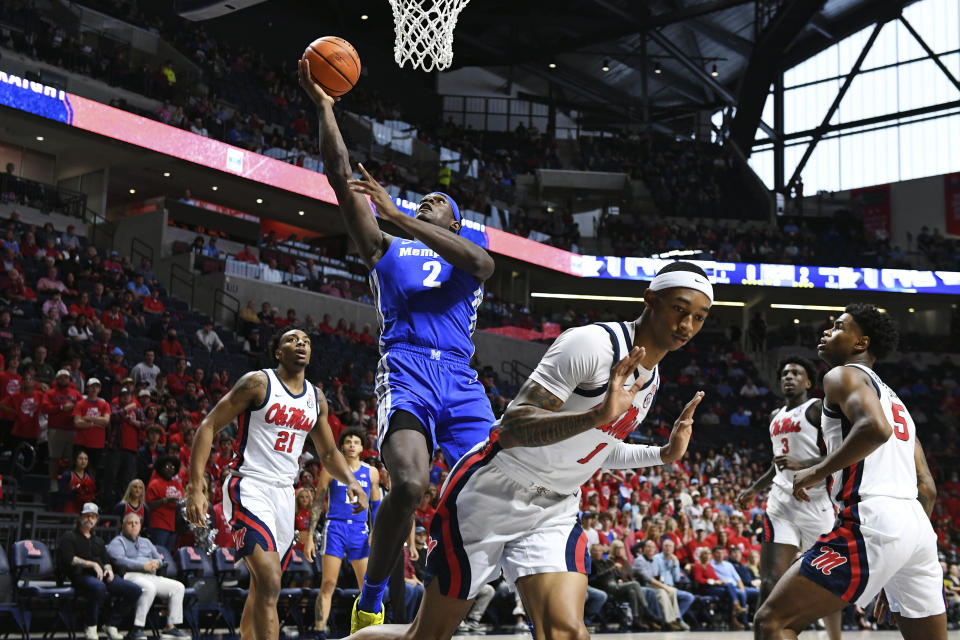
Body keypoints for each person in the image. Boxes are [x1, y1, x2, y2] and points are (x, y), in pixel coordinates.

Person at [345, 262, 711, 640]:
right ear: (650, 299)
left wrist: (663, 454)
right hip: (492, 492)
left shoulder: (651, 380)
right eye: (679, 309)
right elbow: (511, 429)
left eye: (699, 318)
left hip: (553, 508)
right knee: (424, 637)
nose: (687, 325)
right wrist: (598, 413)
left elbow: (597, 448)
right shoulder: (592, 345)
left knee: (567, 633)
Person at [301, 60, 496, 629]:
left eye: (439, 202)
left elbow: (482, 263)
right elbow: (339, 177)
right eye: (422, 201)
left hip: (461, 379)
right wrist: (325, 108)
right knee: (410, 483)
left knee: (494, 489)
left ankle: (450, 568)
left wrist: (406, 219)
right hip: (407, 370)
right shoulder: (389, 247)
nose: (425, 202)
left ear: (455, 223)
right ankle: (373, 596)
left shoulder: (464, 256)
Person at [755, 304, 946, 640]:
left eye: (839, 326)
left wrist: (814, 471)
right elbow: (927, 488)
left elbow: (874, 428)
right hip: (917, 529)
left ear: (861, 343)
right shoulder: (896, 402)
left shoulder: (842, 375)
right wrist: (896, 562)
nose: (827, 331)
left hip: (872, 516)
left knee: (773, 622)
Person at [185, 328, 368, 640]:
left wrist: (351, 481)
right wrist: (195, 486)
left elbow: (327, 452)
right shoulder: (258, 382)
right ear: (278, 353)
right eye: (292, 340)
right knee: (270, 581)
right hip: (249, 486)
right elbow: (209, 425)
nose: (301, 344)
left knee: (262, 587)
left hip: (285, 494)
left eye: (306, 341)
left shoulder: (316, 398)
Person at [736, 355, 841, 640]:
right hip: (780, 503)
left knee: (827, 581)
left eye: (796, 373)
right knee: (770, 579)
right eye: (784, 373)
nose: (789, 377)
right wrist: (754, 489)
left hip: (816, 503)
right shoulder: (775, 416)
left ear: (808, 382)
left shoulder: (817, 408)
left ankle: (836, 638)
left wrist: (805, 465)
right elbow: (778, 464)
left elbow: (842, 452)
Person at [314, 428, 382, 635]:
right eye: (348, 441)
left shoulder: (371, 472)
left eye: (356, 442)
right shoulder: (330, 469)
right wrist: (309, 536)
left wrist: (375, 532)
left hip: (360, 530)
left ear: (362, 447)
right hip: (335, 527)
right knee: (328, 583)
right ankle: (319, 630)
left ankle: (369, 632)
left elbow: (376, 505)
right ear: (342, 446)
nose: (352, 445)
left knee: (367, 586)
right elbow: (318, 503)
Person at [58, 503, 143, 640]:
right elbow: (69, 559)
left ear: (97, 520)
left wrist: (108, 571)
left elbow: (107, 561)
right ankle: (90, 626)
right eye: (87, 516)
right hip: (79, 575)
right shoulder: (69, 536)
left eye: (93, 517)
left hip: (101, 576)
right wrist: (91, 564)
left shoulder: (98, 540)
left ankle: (111, 624)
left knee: (135, 590)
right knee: (98, 587)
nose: (90, 519)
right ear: (80, 517)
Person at [107, 513, 189, 640]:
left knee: (178, 587)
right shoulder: (118, 541)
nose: (134, 525)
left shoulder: (146, 541)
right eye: (130, 523)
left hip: (150, 575)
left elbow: (159, 559)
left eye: (137, 523)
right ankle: (137, 628)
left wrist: (157, 563)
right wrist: (143, 565)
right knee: (149, 587)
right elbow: (119, 560)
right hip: (130, 575)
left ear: (140, 526)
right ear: (123, 526)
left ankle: (170, 627)